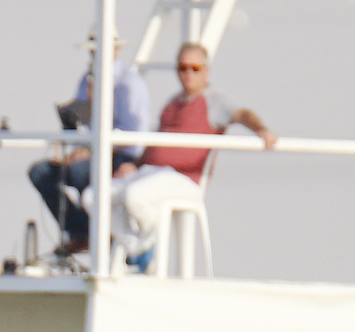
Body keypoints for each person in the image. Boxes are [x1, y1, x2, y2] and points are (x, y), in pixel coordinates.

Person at [108, 42, 276, 263]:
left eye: (194, 68)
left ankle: (145, 246)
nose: (188, 73)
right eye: (182, 68)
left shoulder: (214, 100)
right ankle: (136, 249)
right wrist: (135, 165)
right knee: (95, 196)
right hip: (151, 172)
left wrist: (261, 129)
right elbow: (157, 144)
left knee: (135, 197)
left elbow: (241, 114)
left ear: (206, 71)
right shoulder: (172, 103)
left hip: (182, 177)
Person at [28, 26, 151, 256]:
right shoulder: (87, 80)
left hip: (121, 157)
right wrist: (76, 143)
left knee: (79, 172)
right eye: (94, 50)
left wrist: (93, 150)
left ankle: (103, 230)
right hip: (90, 152)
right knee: (41, 172)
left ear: (116, 50)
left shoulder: (129, 84)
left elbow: (134, 137)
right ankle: (80, 231)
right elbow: (83, 123)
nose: (96, 54)